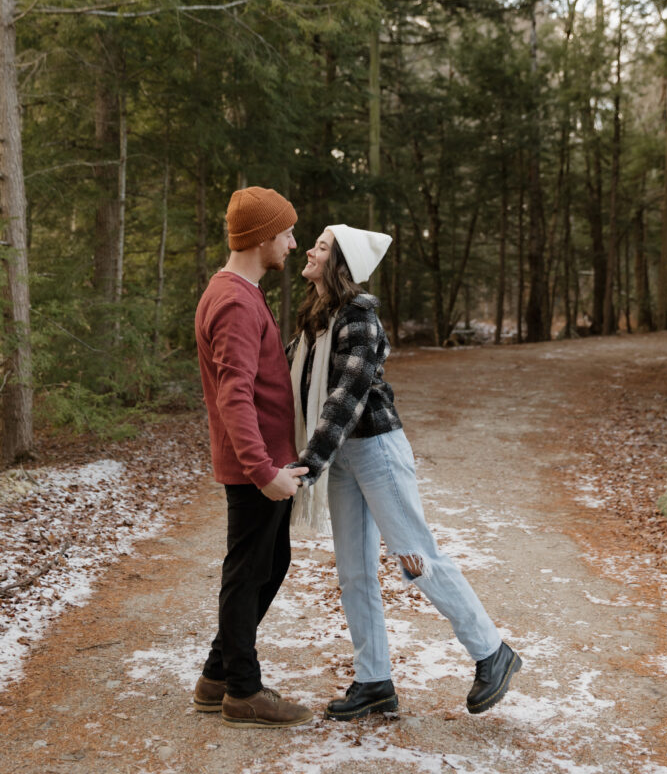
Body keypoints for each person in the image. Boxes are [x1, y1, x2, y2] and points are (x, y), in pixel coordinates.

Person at [287, 223, 522, 721]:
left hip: (376, 451)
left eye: (321, 247)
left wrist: (310, 462)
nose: (309, 250)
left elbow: (347, 396)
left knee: (417, 557)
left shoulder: (360, 321)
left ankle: (490, 651)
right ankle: (374, 681)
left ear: (340, 265)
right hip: (342, 459)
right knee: (353, 572)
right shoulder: (316, 321)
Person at [193, 186, 312, 728]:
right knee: (246, 572)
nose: (293, 242)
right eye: (286, 232)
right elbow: (233, 394)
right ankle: (242, 690)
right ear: (263, 237)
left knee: (267, 563)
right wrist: (264, 472)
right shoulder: (237, 300)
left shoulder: (235, 291)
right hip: (255, 465)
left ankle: (218, 675)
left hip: (262, 460)